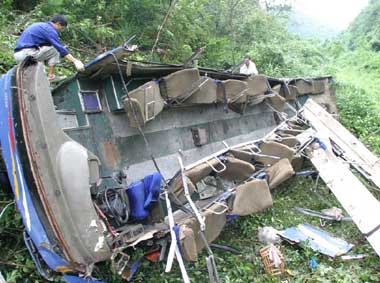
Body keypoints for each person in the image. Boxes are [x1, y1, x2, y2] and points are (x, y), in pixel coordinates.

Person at [14, 15, 85, 81]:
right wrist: (75, 61)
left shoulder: (41, 25)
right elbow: (59, 48)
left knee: (40, 68)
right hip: (26, 54)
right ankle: (51, 76)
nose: (61, 30)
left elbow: (47, 46)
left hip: (18, 54)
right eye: (62, 28)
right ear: (58, 24)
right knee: (55, 50)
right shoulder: (50, 30)